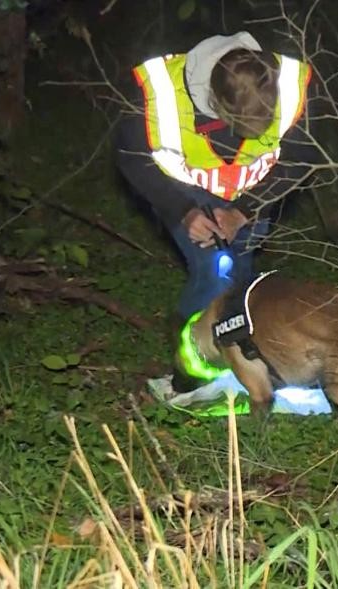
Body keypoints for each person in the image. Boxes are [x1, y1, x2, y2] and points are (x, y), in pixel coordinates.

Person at [114, 32, 322, 387]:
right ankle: (188, 366)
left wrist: (245, 209)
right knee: (214, 275)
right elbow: (130, 158)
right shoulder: (164, 94)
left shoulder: (287, 86)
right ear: (214, 103)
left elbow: (303, 156)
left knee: (241, 279)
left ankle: (241, 358)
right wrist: (184, 211)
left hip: (255, 194)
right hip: (187, 196)